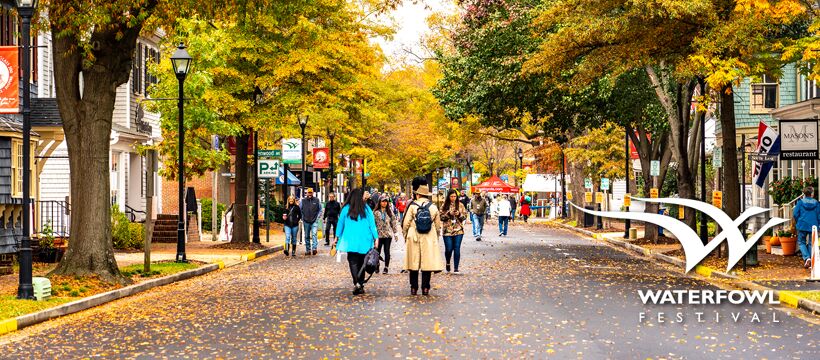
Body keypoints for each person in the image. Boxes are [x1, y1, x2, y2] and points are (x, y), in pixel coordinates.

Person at [334, 188, 379, 295]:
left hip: (350, 240)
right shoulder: (366, 209)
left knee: (353, 261)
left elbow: (340, 224)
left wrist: (336, 237)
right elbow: (372, 225)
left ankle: (357, 283)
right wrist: (376, 238)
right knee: (362, 262)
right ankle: (360, 284)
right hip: (365, 240)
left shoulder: (346, 209)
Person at [402, 184, 444, 295]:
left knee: (413, 262)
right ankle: (425, 287)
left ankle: (414, 288)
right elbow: (438, 224)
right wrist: (437, 236)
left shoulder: (412, 206)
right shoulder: (433, 207)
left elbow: (406, 223)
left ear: (418, 195)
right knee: (427, 263)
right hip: (429, 236)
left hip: (414, 235)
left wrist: (405, 235)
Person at [441, 189, 468, 273]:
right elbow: (441, 217)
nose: (453, 198)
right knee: (449, 249)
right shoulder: (444, 205)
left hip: (458, 230)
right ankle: (448, 262)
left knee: (457, 248)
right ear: (448, 197)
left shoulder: (460, 205)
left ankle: (456, 268)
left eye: (455, 196)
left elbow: (465, 217)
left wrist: (459, 214)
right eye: (452, 196)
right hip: (447, 230)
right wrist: (448, 214)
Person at [793, 186, 820, 268]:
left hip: (802, 225)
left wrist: (799, 221)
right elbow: (819, 216)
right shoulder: (816, 203)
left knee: (801, 242)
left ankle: (807, 258)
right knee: (812, 244)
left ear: (804, 193)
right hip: (813, 225)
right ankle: (811, 260)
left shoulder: (800, 202)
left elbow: (795, 214)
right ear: (811, 193)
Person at [374, 195, 398, 274]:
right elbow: (372, 224)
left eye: (385, 202)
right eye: (382, 201)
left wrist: (395, 233)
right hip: (378, 235)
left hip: (388, 235)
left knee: (387, 251)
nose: (384, 203)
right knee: (377, 251)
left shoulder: (390, 212)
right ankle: (377, 265)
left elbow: (393, 223)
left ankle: (386, 267)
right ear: (379, 202)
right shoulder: (375, 212)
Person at [300, 188, 323, 256]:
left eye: (311, 193)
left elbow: (320, 210)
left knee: (314, 234)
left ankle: (314, 248)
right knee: (307, 236)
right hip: (306, 221)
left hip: (314, 221)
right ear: (306, 193)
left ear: (313, 193)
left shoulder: (317, 200)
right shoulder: (303, 201)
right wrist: (302, 218)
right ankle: (308, 250)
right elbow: (300, 209)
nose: (310, 194)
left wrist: (317, 217)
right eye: (308, 193)